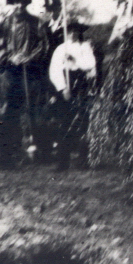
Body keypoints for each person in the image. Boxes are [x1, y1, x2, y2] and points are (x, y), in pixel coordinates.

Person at [0, 0, 49, 165]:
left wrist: (30, 58)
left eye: (23, 1)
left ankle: (37, 151)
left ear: (27, 2)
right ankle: (7, 152)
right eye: (16, 1)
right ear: (12, 2)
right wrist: (9, 58)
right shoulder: (5, 23)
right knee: (6, 111)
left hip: (30, 72)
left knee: (33, 110)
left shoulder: (36, 22)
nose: (20, 5)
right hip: (10, 72)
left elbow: (43, 45)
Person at [46, 21, 98, 169]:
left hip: (81, 84)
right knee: (64, 123)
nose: (73, 34)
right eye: (70, 31)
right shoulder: (60, 49)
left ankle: (83, 160)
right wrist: (63, 88)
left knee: (82, 122)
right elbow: (54, 71)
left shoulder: (85, 47)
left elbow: (90, 65)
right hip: (66, 85)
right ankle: (63, 161)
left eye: (76, 31)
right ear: (66, 33)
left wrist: (75, 60)